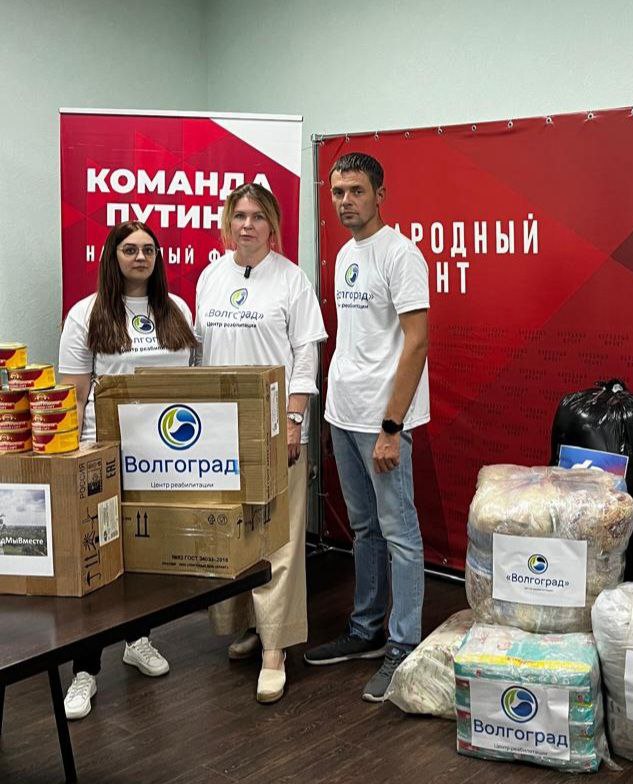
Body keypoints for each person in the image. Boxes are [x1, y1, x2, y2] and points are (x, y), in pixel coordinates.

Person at [58, 221, 197, 720]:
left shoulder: (176, 309)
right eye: (130, 249)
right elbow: (74, 394)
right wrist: (76, 459)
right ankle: (84, 670)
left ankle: (138, 640)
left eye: (148, 250)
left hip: (163, 454)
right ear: (112, 256)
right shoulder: (87, 313)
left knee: (142, 552)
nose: (141, 257)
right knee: (98, 559)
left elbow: (193, 382)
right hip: (105, 451)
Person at [304, 152, 430, 702]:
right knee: (364, 529)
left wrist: (391, 426)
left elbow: (416, 343)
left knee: (399, 533)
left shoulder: (401, 255)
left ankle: (404, 644)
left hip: (383, 420)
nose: (345, 201)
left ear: (380, 194)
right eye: (338, 192)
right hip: (343, 413)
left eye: (356, 191)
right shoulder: (344, 254)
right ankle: (366, 630)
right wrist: (335, 411)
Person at [195, 182, 327, 703]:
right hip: (220, 430)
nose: (247, 224)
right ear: (227, 223)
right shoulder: (211, 277)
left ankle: (275, 648)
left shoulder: (292, 280)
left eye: (257, 216)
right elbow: (200, 352)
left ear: (272, 225)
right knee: (237, 533)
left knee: (280, 538)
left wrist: (294, 420)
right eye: (239, 215)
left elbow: (306, 357)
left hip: (276, 427)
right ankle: (249, 624)